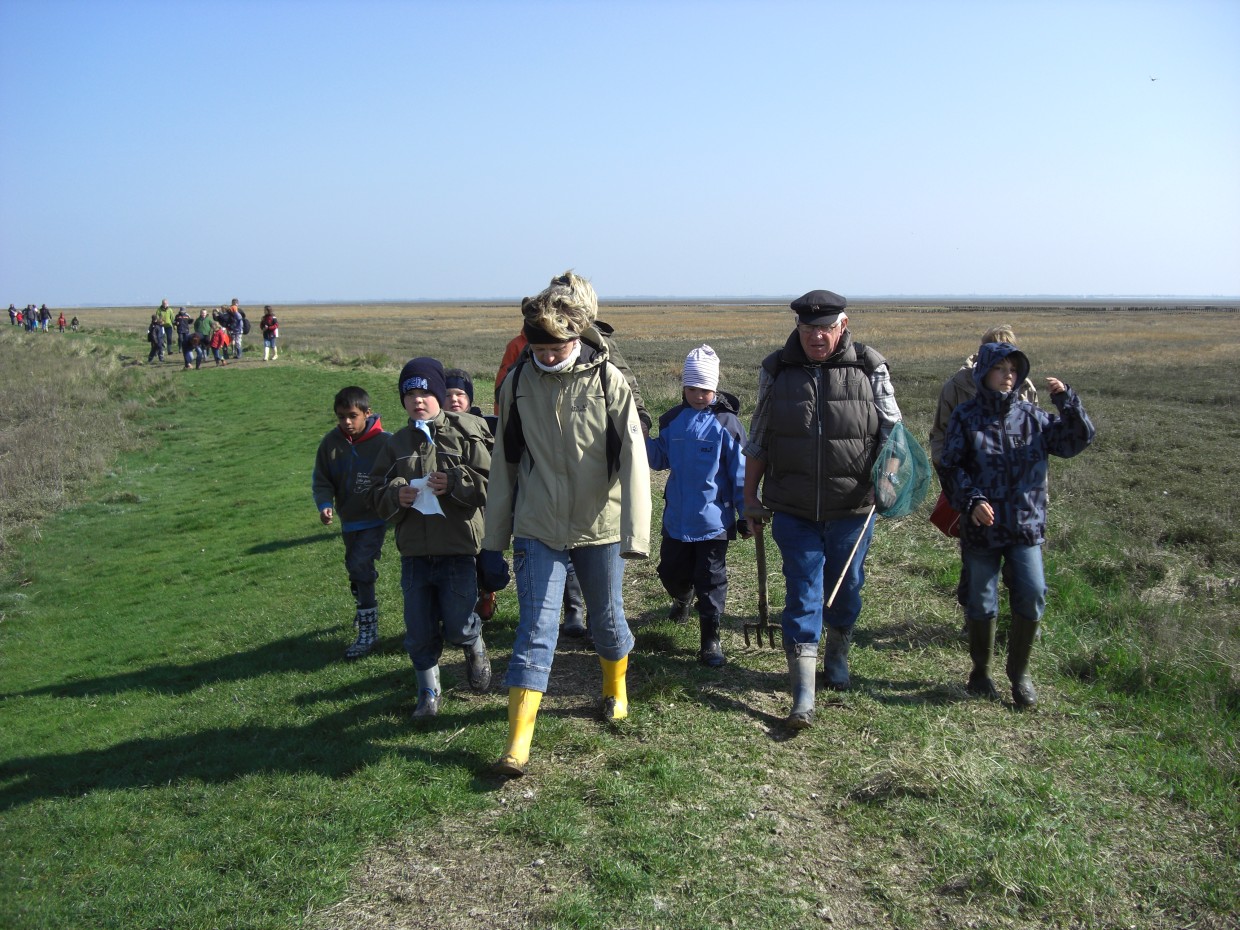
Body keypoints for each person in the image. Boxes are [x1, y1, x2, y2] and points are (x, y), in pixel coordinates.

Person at [484, 271, 651, 777]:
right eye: (540, 348)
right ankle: (518, 743)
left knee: (606, 618)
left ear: (577, 338)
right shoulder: (517, 382)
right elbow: (505, 463)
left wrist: (635, 534)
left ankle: (614, 688)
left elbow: (635, 458)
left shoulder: (608, 379)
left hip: (599, 523)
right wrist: (495, 536)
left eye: (558, 348)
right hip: (538, 525)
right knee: (536, 627)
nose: (549, 356)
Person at [742, 289, 903, 729]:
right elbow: (759, 435)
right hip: (793, 508)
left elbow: (894, 433)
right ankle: (803, 697)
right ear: (798, 327)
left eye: (826, 328)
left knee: (847, 587)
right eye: (809, 328)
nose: (817, 336)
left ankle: (838, 652)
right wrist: (749, 497)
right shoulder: (777, 370)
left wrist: (887, 479)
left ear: (843, 326)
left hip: (852, 509)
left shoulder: (870, 367)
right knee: (802, 594)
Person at [941, 342, 1094, 707]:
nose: (1008, 375)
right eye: (1000, 369)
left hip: (1025, 524)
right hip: (982, 528)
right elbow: (950, 466)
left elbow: (1076, 441)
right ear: (984, 373)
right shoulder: (966, 417)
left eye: (1013, 369)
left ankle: (1019, 675)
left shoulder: (1034, 418)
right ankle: (980, 672)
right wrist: (972, 499)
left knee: (1033, 591)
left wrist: (1068, 401)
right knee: (981, 598)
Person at [369, 357, 493, 718]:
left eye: (425, 392)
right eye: (410, 394)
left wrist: (455, 482)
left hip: (457, 547)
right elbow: (375, 492)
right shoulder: (395, 445)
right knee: (419, 629)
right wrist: (396, 495)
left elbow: (491, 484)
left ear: (439, 394)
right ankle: (429, 693)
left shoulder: (466, 433)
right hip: (415, 553)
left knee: (457, 622)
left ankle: (473, 643)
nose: (418, 400)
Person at [645, 345, 749, 667]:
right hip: (676, 518)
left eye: (705, 389)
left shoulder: (727, 424)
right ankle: (681, 596)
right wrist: (636, 436)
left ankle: (711, 638)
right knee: (671, 571)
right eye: (692, 388)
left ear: (714, 389)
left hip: (713, 522)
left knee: (711, 579)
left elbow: (741, 472)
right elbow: (659, 457)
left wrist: (746, 512)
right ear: (683, 387)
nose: (698, 394)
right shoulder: (672, 420)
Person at [929, 325, 1040, 616]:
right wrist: (953, 480)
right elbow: (940, 433)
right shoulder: (958, 386)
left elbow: (1036, 441)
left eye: (1010, 362)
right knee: (976, 559)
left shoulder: (1025, 389)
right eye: (994, 357)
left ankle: (1021, 622)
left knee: (1022, 567)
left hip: (1019, 496)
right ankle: (975, 618)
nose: (1006, 372)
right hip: (974, 488)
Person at [313, 386, 392, 659]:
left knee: (360, 565)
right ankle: (363, 602)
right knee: (355, 568)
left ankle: (369, 630)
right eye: (340, 417)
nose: (346, 422)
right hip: (350, 520)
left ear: (367, 414)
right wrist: (324, 505)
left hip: (376, 518)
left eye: (352, 416)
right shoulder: (331, 444)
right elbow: (322, 479)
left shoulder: (385, 443)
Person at [443, 368, 503, 622]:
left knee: (490, 567)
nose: (454, 400)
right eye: (447, 395)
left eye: (460, 394)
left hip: (486, 511)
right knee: (462, 566)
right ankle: (466, 611)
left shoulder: (487, 425)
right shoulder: (435, 429)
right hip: (453, 515)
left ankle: (489, 588)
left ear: (469, 398)